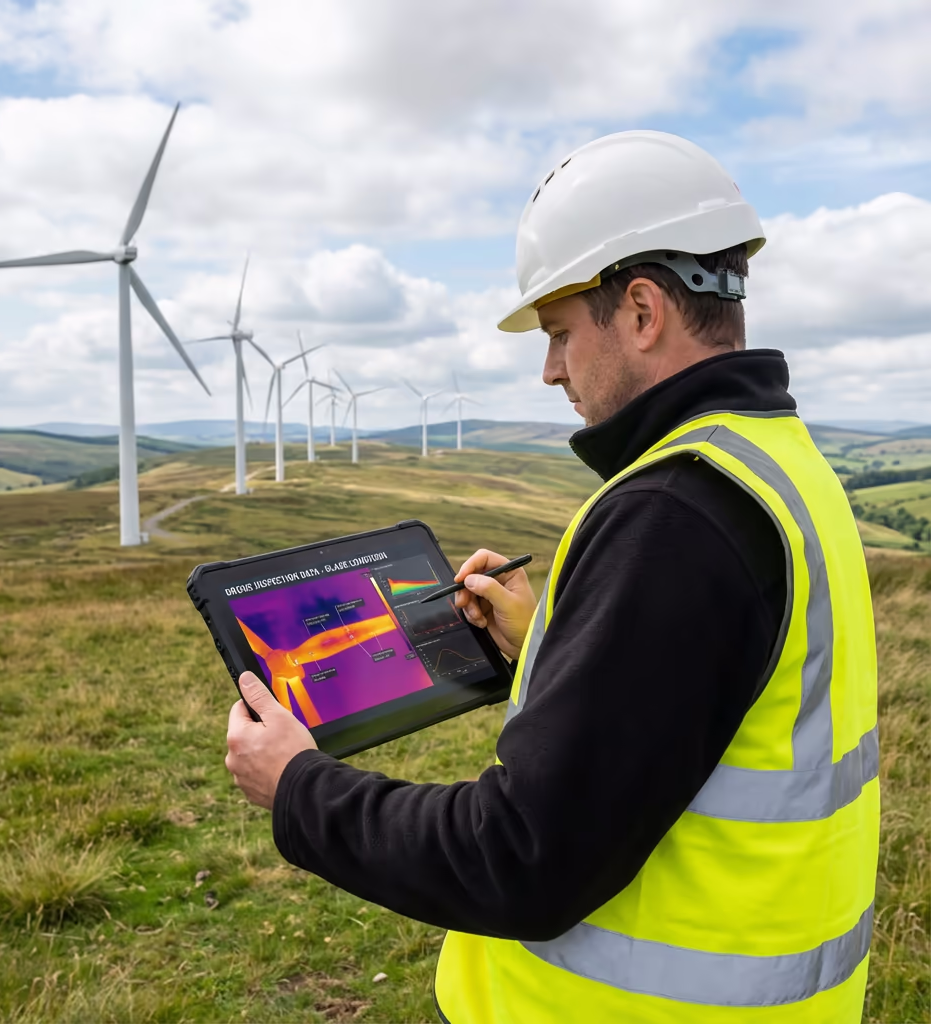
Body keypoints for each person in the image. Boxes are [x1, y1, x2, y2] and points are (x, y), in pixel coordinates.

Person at [224, 131, 879, 1023]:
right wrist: (552, 646)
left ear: (642, 312)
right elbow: (708, 705)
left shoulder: (674, 514)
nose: (550, 369)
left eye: (561, 332)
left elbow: (520, 860)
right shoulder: (777, 463)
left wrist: (301, 788)